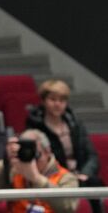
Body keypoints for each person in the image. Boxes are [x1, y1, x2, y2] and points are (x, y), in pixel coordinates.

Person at [26, 79, 104, 213]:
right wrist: (66, 175)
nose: (58, 104)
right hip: (54, 176)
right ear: (44, 101)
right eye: (53, 99)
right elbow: (41, 159)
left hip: (80, 176)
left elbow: (92, 155)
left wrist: (85, 173)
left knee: (94, 184)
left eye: (62, 100)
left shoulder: (75, 124)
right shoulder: (35, 126)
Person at [0, 128, 79, 213]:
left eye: (34, 155)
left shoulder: (66, 177)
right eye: (26, 153)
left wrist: (37, 179)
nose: (32, 161)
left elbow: (68, 208)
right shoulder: (14, 171)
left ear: (47, 151)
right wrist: (6, 162)